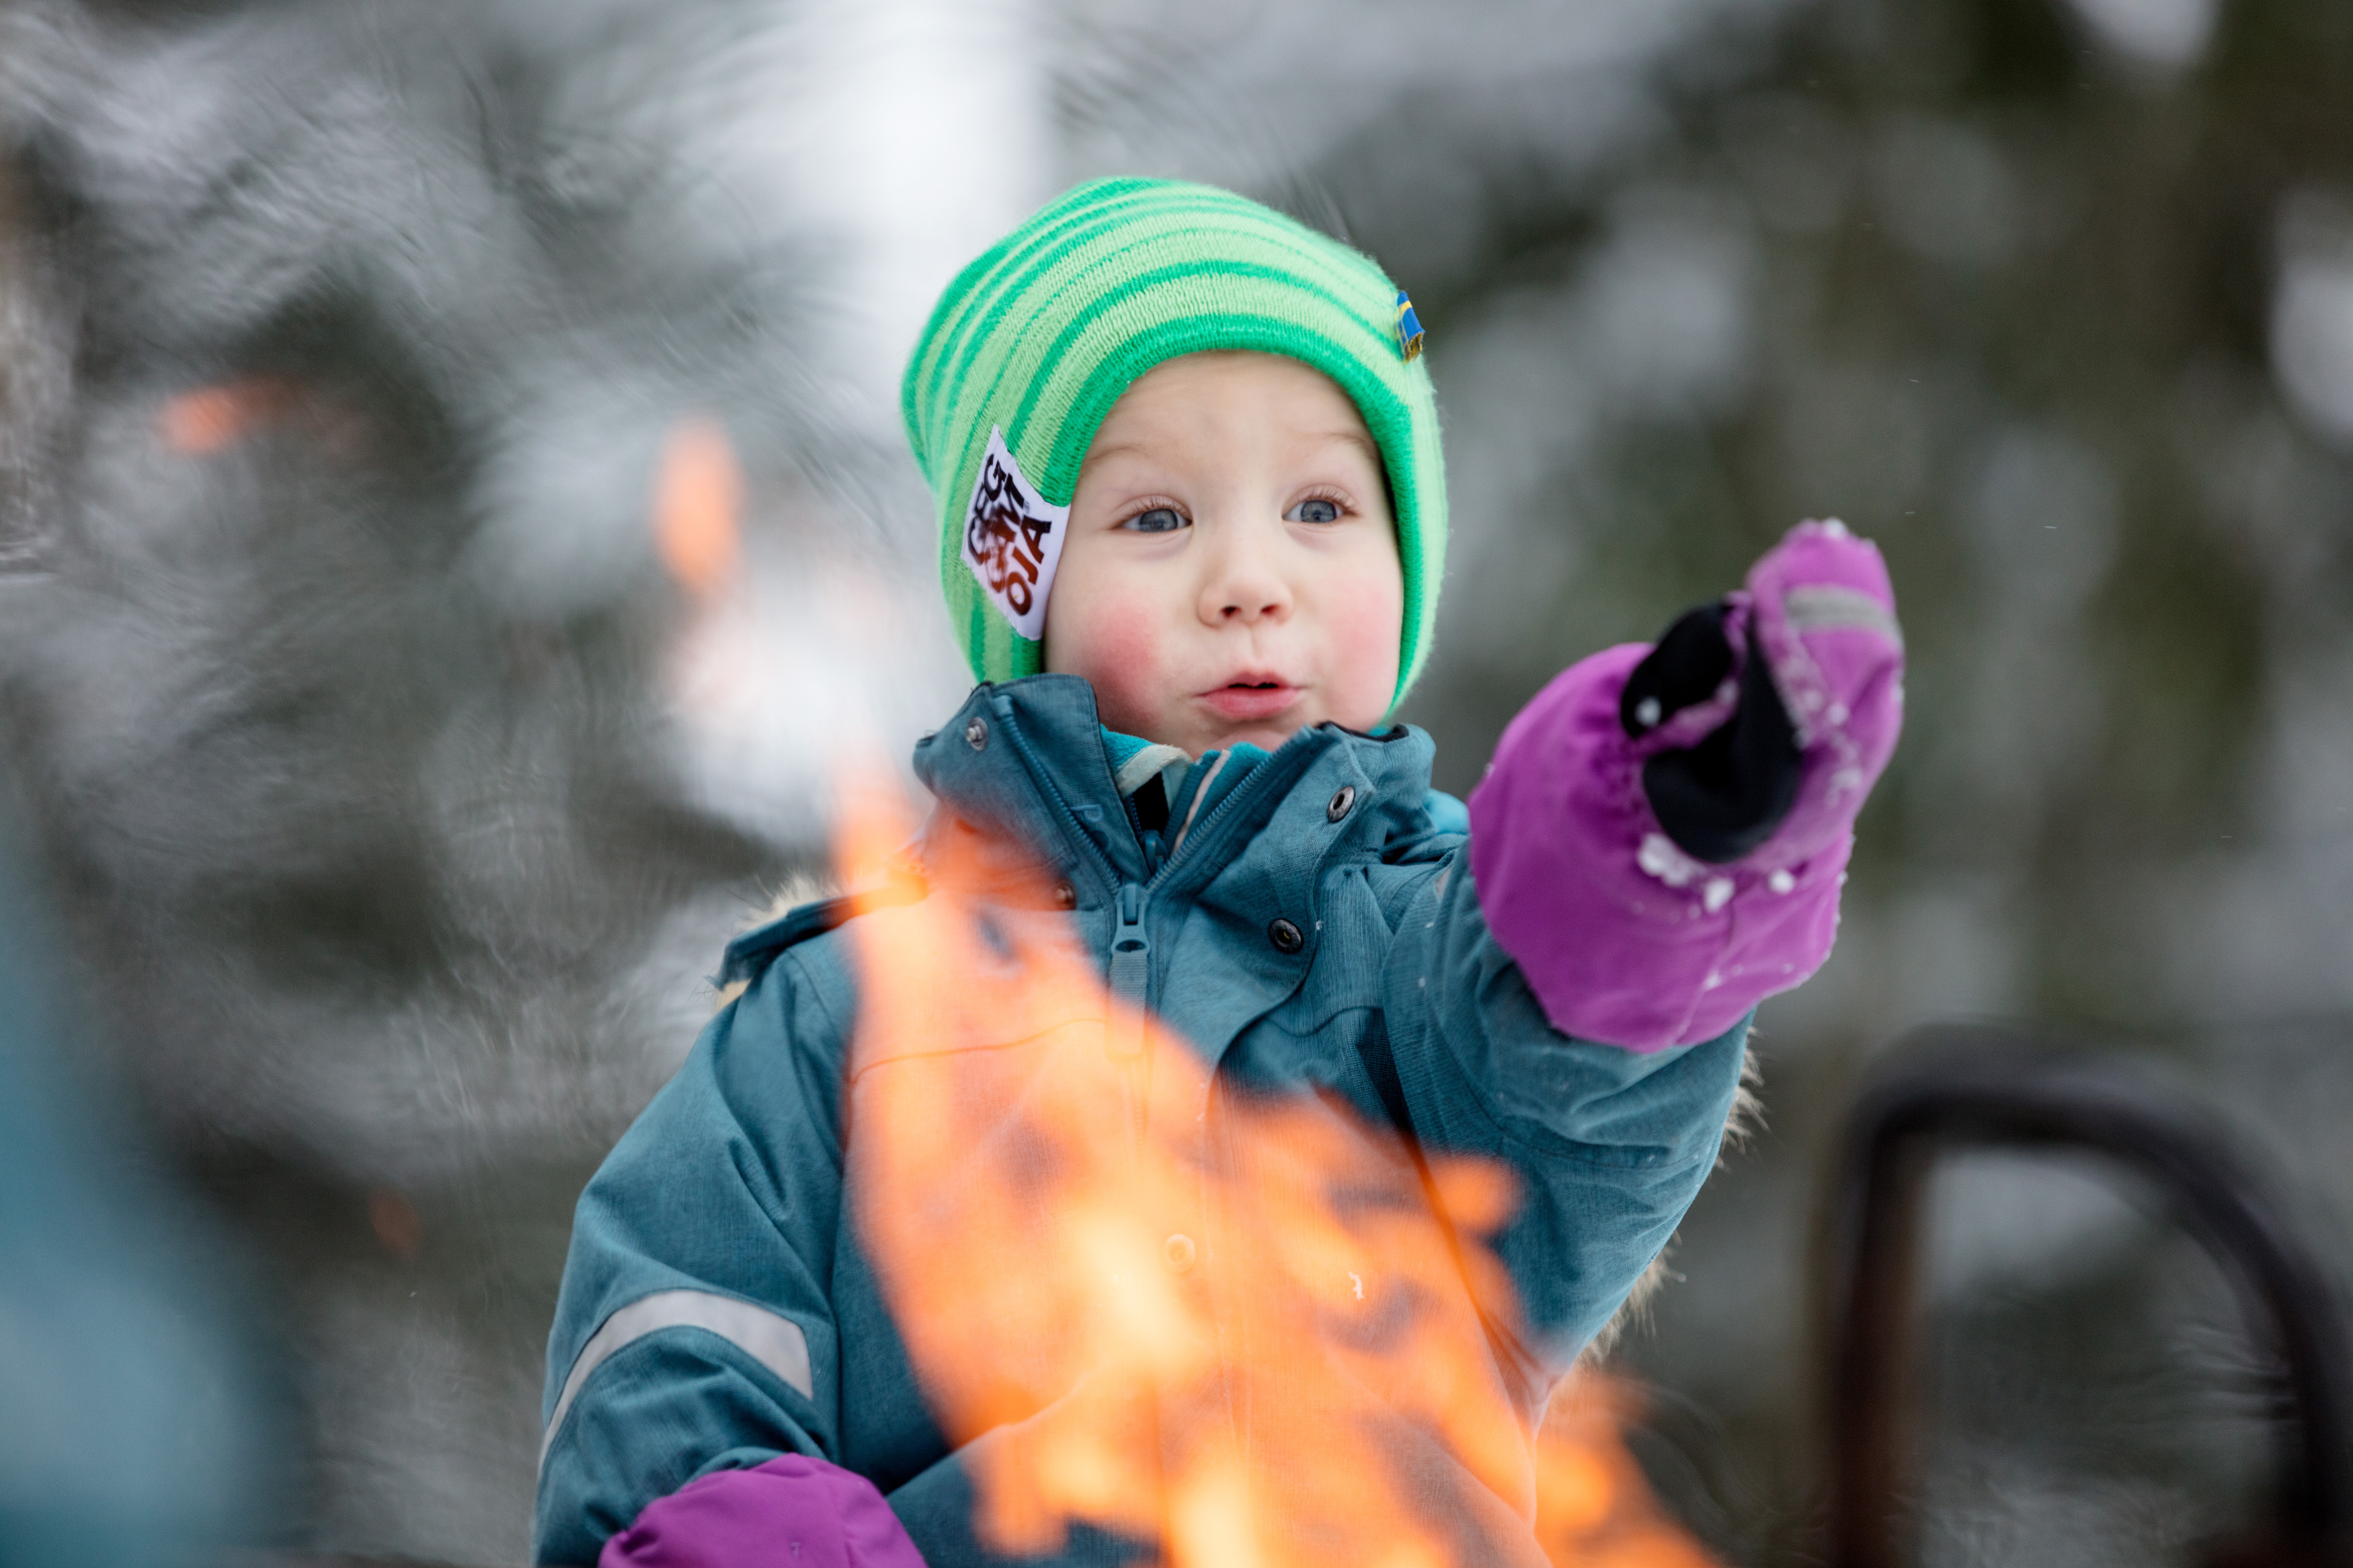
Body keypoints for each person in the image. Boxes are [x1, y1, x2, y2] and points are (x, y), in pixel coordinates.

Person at [532, 177, 1903, 1567]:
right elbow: (672, 1340)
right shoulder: (847, 1014)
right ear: (1027, 596)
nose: (1250, 578)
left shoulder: (1427, 962)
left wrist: (1673, 822)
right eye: (1156, 521)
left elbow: (1583, 1053)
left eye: (1318, 506)